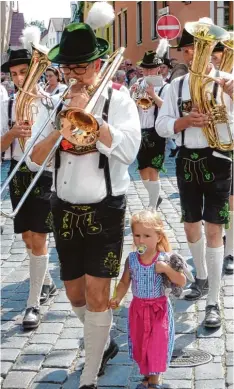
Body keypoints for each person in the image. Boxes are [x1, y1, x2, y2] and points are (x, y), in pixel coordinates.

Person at [26, 7, 141, 388]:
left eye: (82, 68)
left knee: (96, 292)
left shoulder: (119, 100)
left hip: (106, 207)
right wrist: (61, 125)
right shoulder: (53, 103)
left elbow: (128, 152)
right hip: (64, 208)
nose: (75, 76)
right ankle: (102, 341)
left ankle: (88, 378)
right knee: (75, 292)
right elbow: (34, 159)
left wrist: (94, 120)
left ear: (98, 64)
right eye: (69, 69)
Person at [156, 20, 233, 328]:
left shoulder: (228, 80)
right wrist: (184, 122)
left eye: (198, 48)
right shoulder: (175, 86)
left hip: (219, 159)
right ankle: (200, 276)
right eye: (188, 49)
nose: (193, 54)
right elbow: (162, 126)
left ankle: (213, 299)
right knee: (190, 227)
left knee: (214, 230)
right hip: (188, 159)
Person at [0, 37, 56, 330]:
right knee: (27, 238)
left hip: (44, 174)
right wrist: (11, 134)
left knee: (39, 237)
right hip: (17, 172)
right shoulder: (7, 104)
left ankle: (33, 304)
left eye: (25, 72)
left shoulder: (51, 103)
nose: (20, 78)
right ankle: (45, 281)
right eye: (15, 74)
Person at [110, 210, 186, 389]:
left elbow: (181, 280)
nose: (141, 240)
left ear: (158, 236)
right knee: (141, 344)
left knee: (156, 345)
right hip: (138, 310)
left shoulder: (163, 259)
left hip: (159, 311)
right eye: (137, 235)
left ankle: (154, 382)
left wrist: (167, 269)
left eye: (146, 235)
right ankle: (146, 376)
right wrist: (117, 297)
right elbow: (124, 282)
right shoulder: (132, 260)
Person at [130, 47, 170, 211]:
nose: (148, 71)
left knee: (153, 169)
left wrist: (153, 95)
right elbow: (131, 108)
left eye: (151, 68)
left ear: (158, 68)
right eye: (145, 68)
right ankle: (156, 196)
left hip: (156, 131)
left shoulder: (166, 87)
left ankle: (152, 205)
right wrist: (132, 96)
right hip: (140, 130)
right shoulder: (138, 83)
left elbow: (167, 108)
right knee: (141, 169)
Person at [211, 41, 234, 275]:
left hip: (232, 141)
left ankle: (230, 251)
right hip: (213, 142)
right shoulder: (206, 75)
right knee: (221, 199)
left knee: (232, 199)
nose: (214, 57)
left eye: (217, 53)